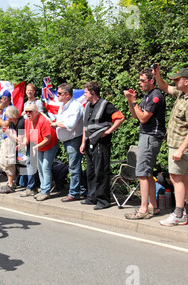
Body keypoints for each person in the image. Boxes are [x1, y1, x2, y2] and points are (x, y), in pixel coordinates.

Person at [153, 66, 188, 226]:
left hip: (181, 145)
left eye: (177, 80)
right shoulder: (183, 94)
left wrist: (180, 149)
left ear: (186, 81)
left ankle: (179, 214)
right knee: (185, 178)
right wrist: (157, 75)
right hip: (178, 144)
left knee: (176, 178)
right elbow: (164, 86)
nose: (175, 82)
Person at [123, 68, 166, 219]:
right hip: (146, 136)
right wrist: (131, 100)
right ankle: (152, 206)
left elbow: (143, 118)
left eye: (142, 80)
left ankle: (143, 209)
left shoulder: (155, 96)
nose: (139, 83)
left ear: (151, 81)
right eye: (139, 80)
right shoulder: (147, 96)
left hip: (150, 137)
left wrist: (134, 101)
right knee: (147, 174)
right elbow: (136, 115)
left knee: (142, 173)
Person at [80, 81, 125, 210]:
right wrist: (83, 142)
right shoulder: (87, 106)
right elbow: (85, 126)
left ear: (93, 92)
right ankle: (92, 197)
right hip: (89, 143)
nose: (84, 95)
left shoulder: (105, 105)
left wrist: (109, 131)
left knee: (101, 172)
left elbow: (120, 117)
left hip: (101, 143)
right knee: (91, 172)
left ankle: (104, 200)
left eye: (86, 92)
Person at [51, 83, 86, 202]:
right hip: (67, 140)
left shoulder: (75, 106)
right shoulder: (64, 105)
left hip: (73, 140)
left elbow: (70, 125)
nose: (58, 95)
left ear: (67, 95)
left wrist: (56, 124)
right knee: (75, 167)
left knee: (74, 167)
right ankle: (82, 189)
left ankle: (74, 193)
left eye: (60, 93)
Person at [18, 103, 58, 201]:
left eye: (30, 111)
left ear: (36, 112)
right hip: (39, 145)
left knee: (45, 167)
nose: (27, 113)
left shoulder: (42, 121)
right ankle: (43, 189)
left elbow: (47, 139)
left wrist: (35, 147)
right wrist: (23, 144)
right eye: (26, 111)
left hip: (50, 145)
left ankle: (46, 192)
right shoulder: (28, 121)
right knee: (40, 167)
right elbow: (28, 135)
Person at [0, 106, 25, 193]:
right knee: (8, 163)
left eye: (8, 116)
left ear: (13, 116)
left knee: (10, 163)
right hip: (17, 146)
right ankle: (11, 183)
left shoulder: (21, 123)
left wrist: (8, 133)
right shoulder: (12, 122)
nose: (7, 118)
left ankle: (11, 185)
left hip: (25, 147)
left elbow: (20, 140)